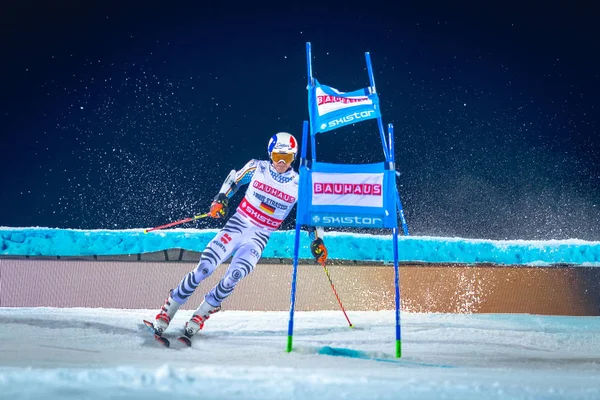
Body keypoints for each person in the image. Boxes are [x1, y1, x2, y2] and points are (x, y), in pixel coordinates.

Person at [151, 132, 329, 338]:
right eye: (277, 156)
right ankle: (169, 309)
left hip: (259, 236)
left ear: (294, 158)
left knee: (234, 276)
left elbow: (313, 216)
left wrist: (318, 240)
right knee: (205, 267)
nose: (281, 162)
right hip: (238, 225)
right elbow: (234, 180)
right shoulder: (258, 167)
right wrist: (220, 199)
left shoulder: (300, 184)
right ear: (270, 154)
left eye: (287, 157)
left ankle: (201, 313)